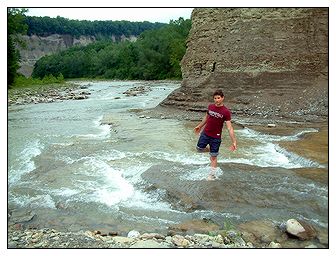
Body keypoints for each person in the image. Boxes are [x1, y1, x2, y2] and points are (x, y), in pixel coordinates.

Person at [194, 89, 237, 180]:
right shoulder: (210, 107)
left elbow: (229, 128)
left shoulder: (226, 112)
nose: (216, 100)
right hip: (205, 133)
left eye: (218, 98)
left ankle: (212, 174)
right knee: (199, 149)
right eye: (215, 98)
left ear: (222, 98)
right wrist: (199, 126)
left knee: (213, 157)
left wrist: (234, 142)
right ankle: (211, 150)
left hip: (216, 137)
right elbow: (206, 118)